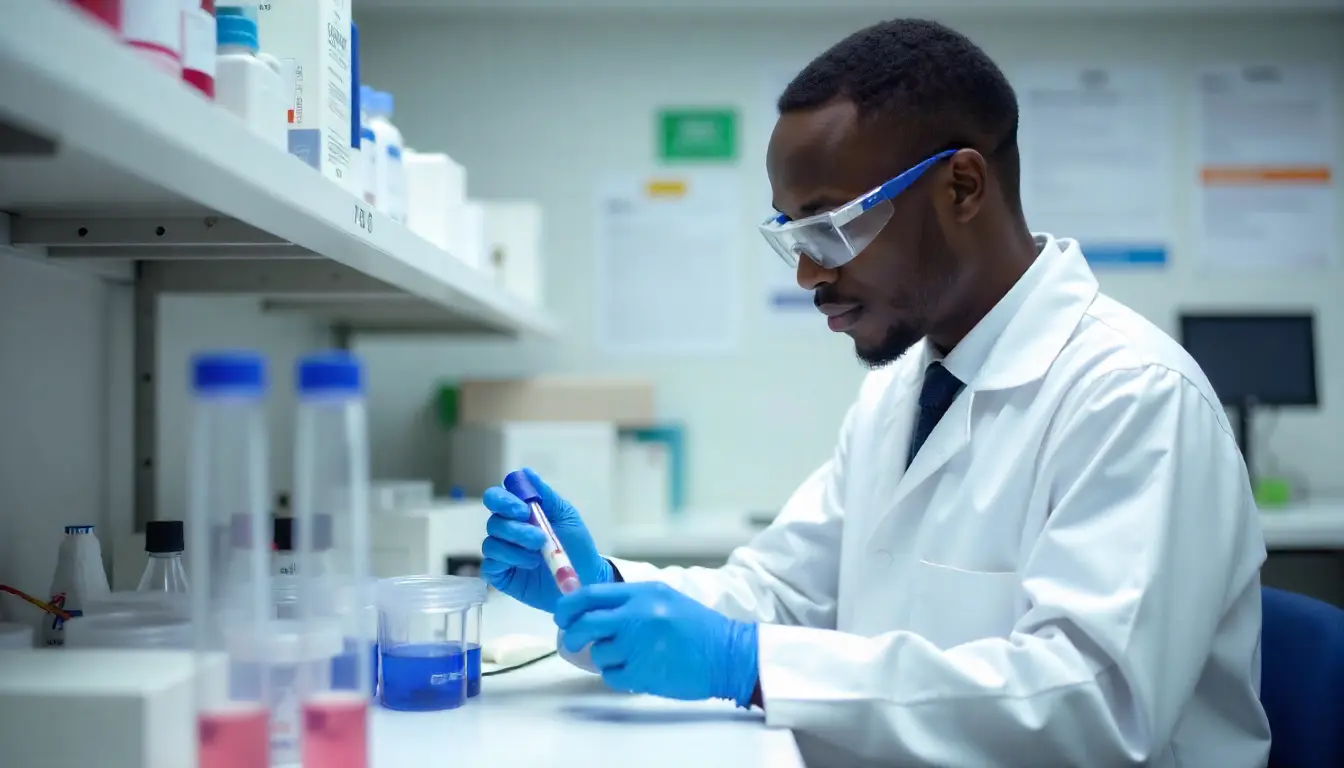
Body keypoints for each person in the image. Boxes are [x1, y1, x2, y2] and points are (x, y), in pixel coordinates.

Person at [480, 18, 1272, 767]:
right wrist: (602, 587)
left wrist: (749, 665)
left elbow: (1095, 705)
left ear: (962, 186)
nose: (808, 274)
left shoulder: (1134, 399)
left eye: (830, 227)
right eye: (792, 234)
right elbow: (782, 593)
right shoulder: (902, 393)